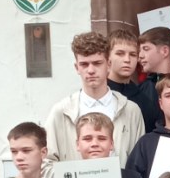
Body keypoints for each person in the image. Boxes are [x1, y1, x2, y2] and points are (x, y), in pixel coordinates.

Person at [45, 31, 146, 163]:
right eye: (84, 64)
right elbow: (46, 163)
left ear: (108, 64)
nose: (91, 70)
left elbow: (140, 163)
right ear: (76, 67)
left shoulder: (131, 111)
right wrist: (77, 174)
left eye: (97, 63)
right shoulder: (61, 112)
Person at [108, 25, 159, 131]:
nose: (127, 59)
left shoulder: (144, 100)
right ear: (108, 57)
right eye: (120, 54)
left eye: (132, 54)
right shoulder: (98, 94)